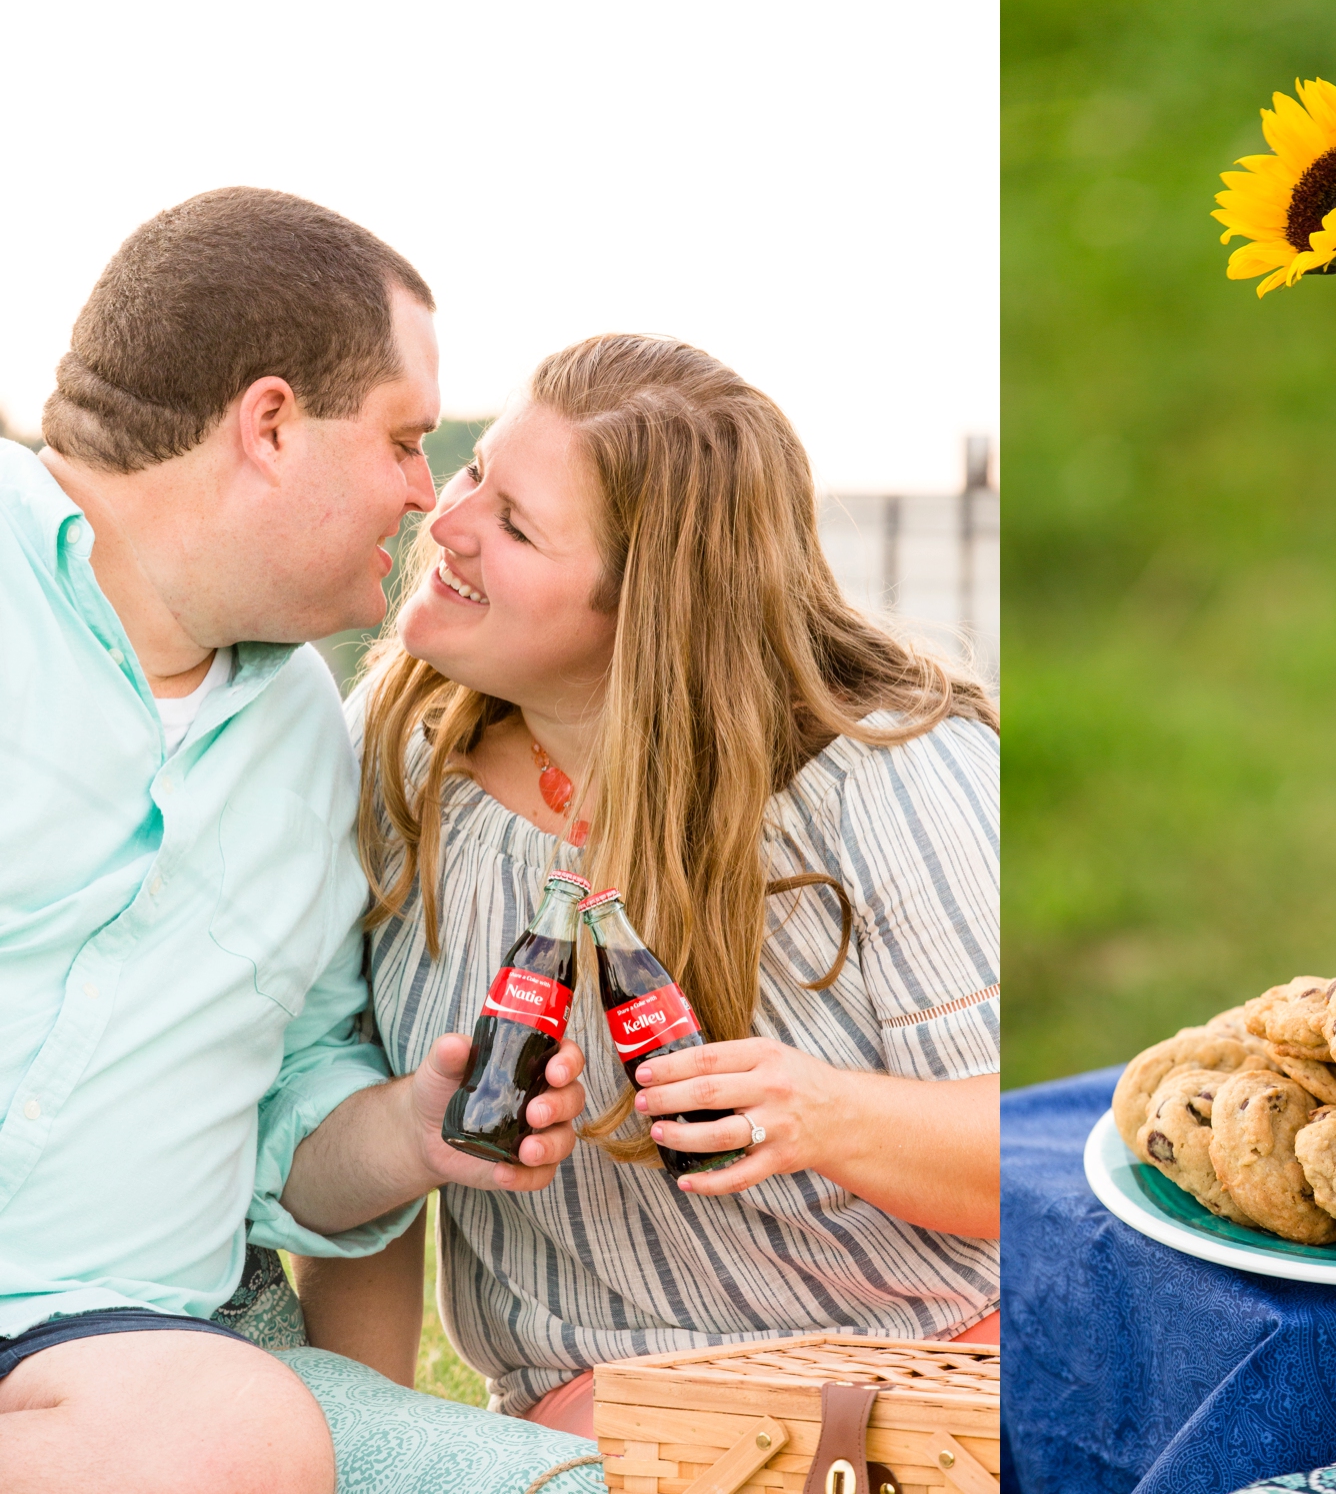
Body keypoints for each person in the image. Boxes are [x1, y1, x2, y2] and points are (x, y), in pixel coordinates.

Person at [0, 189, 592, 1494]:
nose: (429, 498)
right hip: (181, 1421)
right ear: (270, 425)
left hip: (143, 1359)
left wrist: (417, 1129)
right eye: (404, 439)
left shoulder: (312, 742)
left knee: (584, 1481)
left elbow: (297, 1136)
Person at [305, 333, 999, 1433]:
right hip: (611, 1415)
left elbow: (1034, 1157)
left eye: (516, 523)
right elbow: (353, 1173)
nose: (446, 517)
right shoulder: (391, 761)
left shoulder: (888, 773)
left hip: (940, 1378)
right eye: (479, 467)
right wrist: (368, 1448)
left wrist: (827, 1112)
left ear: (648, 609)